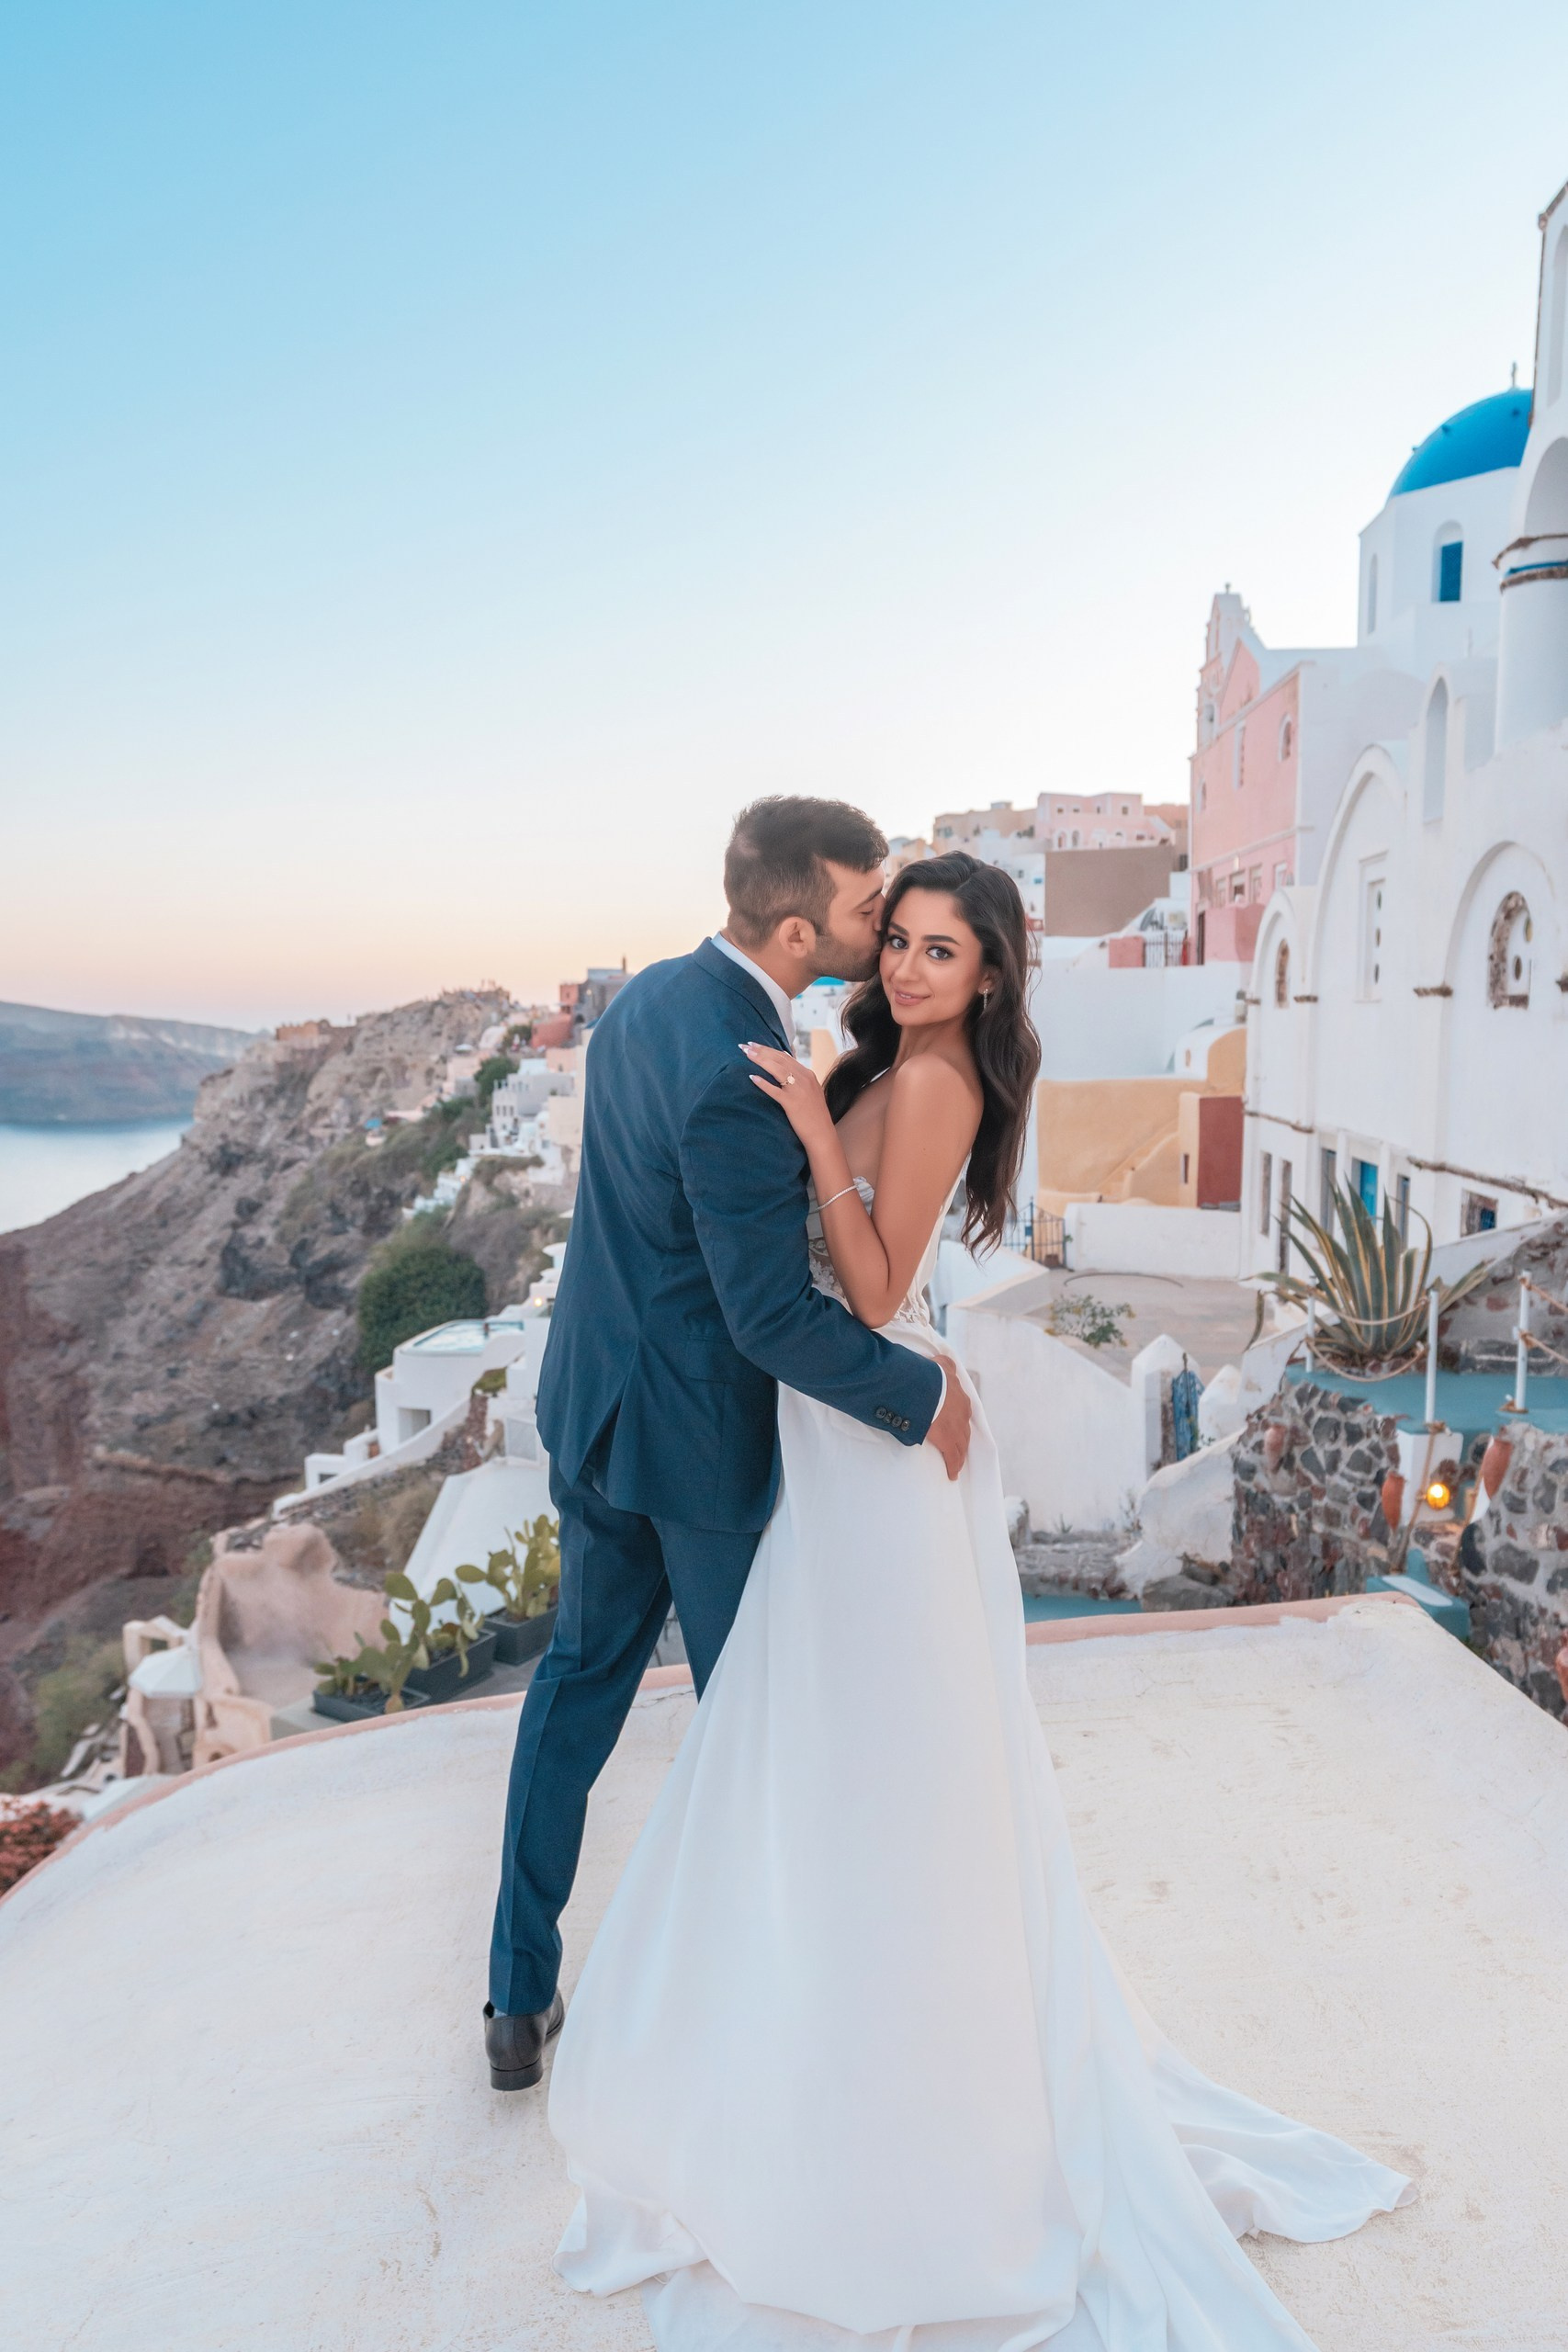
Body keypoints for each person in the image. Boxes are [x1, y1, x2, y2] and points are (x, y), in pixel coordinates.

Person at [545, 850, 1415, 2350]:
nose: (910, 971)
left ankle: (911, 2085)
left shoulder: (935, 1081)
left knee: (874, 1763)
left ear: (992, 976)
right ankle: (848, 2039)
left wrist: (818, 1131)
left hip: (880, 1440)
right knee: (839, 1756)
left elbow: (873, 1290)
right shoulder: (900, 1057)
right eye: (904, 944)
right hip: (842, 1440)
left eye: (944, 953)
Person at [484, 797, 973, 2091]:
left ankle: (514, 2001)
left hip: (591, 1406)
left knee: (576, 1692)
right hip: (694, 1452)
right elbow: (765, 1319)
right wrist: (918, 1400)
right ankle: (776, 2016)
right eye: (873, 909)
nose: (885, 924)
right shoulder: (740, 1069)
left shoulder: (650, 999)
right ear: (805, 921)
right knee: (755, 1726)